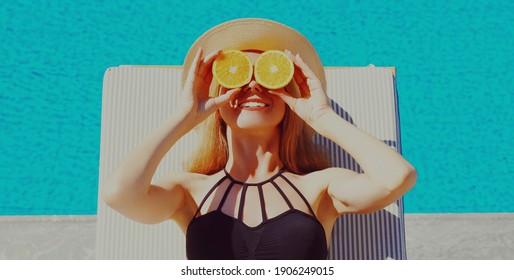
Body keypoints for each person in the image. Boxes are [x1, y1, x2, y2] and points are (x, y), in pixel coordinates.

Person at [101, 18, 417, 260]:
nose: (253, 86)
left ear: (288, 95)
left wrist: (323, 118)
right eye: (238, 76)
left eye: (266, 75)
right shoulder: (188, 192)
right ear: (216, 98)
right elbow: (119, 194)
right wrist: (183, 117)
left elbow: (397, 178)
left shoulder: (321, 187)